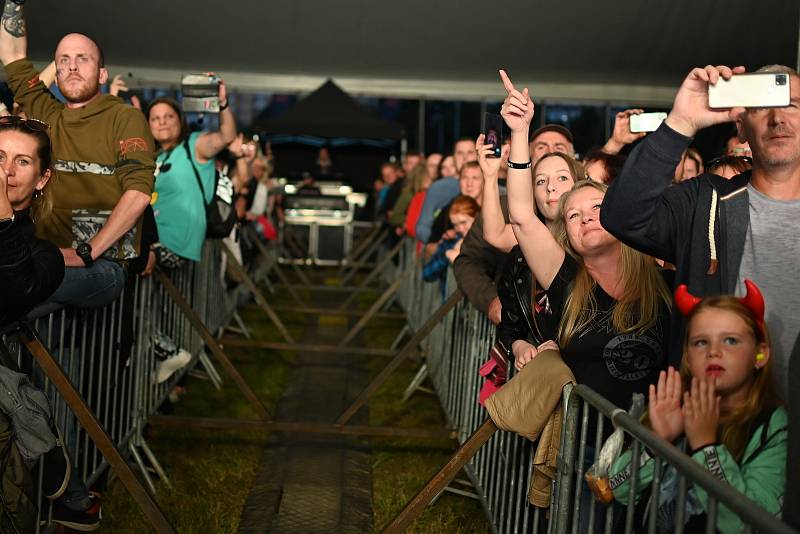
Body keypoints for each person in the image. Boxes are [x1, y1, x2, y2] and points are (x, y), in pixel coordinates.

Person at [601, 64, 800, 402]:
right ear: (740, 124)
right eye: (762, 106)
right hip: (714, 428)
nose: (777, 118)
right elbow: (623, 215)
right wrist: (681, 123)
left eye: (792, 105)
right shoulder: (705, 202)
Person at [500, 70, 673, 409]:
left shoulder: (663, 277)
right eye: (573, 216)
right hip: (584, 446)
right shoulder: (566, 282)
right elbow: (521, 214)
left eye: (597, 207)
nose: (586, 217)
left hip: (659, 443)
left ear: (618, 215)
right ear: (568, 235)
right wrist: (520, 132)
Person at [0, 9, 155, 313]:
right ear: (55, 74)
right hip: (44, 257)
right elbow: (12, 53)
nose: (72, 67)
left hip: (102, 266)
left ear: (102, 73)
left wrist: (88, 251)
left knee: (16, 285)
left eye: (82, 59)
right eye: (63, 61)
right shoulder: (47, 114)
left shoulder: (124, 118)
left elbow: (138, 192)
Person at [609, 282, 786, 533]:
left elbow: (750, 525)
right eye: (701, 342)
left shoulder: (774, 427)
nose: (714, 352)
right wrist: (658, 441)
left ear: (760, 355)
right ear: (689, 358)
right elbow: (618, 487)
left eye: (731, 341)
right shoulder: (677, 407)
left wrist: (706, 447)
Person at [0, 115, 100, 531]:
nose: (5, 171)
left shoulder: (44, 256)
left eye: (21, 162)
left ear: (42, 179)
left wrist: (2, 217)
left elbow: (13, 287)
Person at [489, 150, 581, 364]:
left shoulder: (593, 249)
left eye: (562, 177)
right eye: (541, 181)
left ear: (579, 185)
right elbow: (511, 323)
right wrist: (518, 345)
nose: (551, 187)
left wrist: (562, 347)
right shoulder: (519, 258)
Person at [147, 92, 236, 262]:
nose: (162, 122)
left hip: (174, 245)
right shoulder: (153, 157)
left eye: (169, 116)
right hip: (152, 239)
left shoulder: (193, 146)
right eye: (155, 118)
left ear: (180, 120)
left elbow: (227, 136)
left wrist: (223, 104)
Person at [415, 137, 477, 243]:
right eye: (460, 153)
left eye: (470, 152)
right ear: (454, 157)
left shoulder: (493, 186)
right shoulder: (441, 187)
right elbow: (422, 227)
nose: (465, 158)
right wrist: (437, 246)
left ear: (478, 155)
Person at [422, 195, 479, 282]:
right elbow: (427, 274)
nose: (460, 228)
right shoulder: (452, 240)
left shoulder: (489, 239)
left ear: (477, 217)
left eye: (463, 222)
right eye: (455, 224)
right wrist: (446, 255)